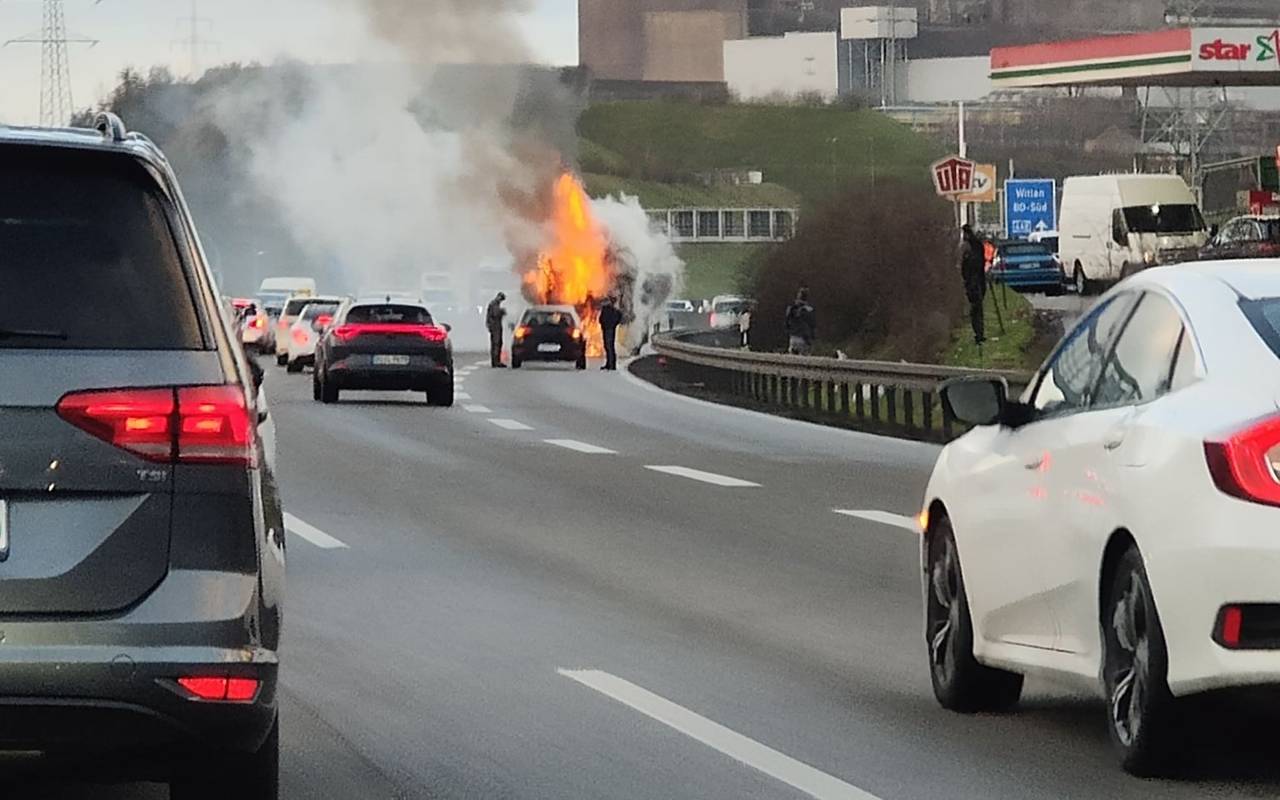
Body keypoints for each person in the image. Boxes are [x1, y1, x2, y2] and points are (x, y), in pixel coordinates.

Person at [960, 224, 988, 345]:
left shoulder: (967, 247)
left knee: (975, 309)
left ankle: (978, 334)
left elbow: (965, 267)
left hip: (973, 282)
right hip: (979, 280)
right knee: (978, 308)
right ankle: (979, 333)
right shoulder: (977, 245)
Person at [784, 288, 816, 355]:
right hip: (803, 339)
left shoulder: (792, 308)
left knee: (792, 359)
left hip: (793, 337)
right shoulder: (809, 310)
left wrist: (789, 331)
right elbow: (812, 326)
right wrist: (812, 338)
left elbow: (786, 322)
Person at [599, 295, 624, 371]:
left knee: (609, 347)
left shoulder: (611, 310)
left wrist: (612, 325)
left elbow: (618, 316)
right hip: (606, 329)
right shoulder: (605, 310)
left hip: (609, 329)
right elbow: (601, 319)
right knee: (607, 347)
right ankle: (609, 363)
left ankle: (611, 364)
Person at [485, 292, 507, 368]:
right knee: (496, 343)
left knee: (497, 343)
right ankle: (495, 361)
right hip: (495, 327)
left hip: (495, 326)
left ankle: (496, 361)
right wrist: (502, 312)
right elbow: (495, 314)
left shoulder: (494, 304)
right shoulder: (494, 304)